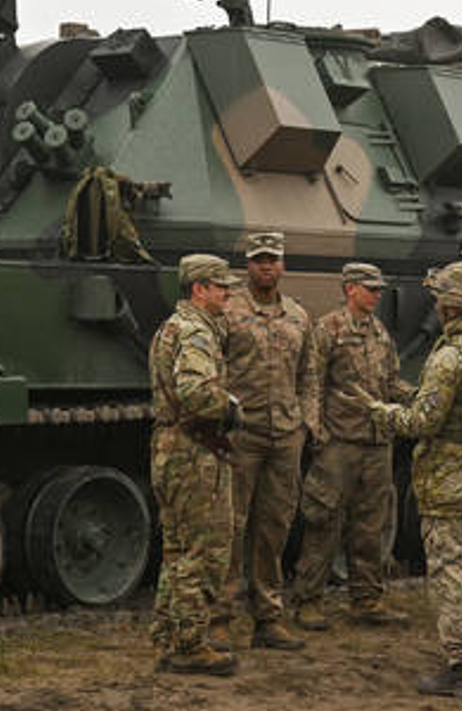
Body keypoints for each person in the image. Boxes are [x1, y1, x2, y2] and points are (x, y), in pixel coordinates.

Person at [368, 261, 462, 699]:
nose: (435, 305)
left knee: (453, 576)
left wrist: (381, 412)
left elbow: (423, 422)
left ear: (452, 306)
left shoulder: (450, 356)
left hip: (450, 481)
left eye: (439, 298)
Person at [292, 262, 415, 632]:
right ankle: (308, 601)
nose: (377, 294)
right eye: (370, 288)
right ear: (350, 289)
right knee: (323, 521)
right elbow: (311, 381)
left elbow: (391, 381)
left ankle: (366, 600)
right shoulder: (328, 329)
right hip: (339, 443)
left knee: (371, 526)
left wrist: (418, 396)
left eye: (379, 289)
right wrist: (316, 430)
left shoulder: (380, 332)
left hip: (377, 443)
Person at [214, 231, 320, 652]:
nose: (266, 266)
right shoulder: (228, 311)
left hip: (285, 436)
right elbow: (213, 368)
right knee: (231, 526)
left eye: (272, 259)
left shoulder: (298, 315)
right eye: (259, 259)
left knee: (274, 527)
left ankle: (268, 618)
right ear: (248, 265)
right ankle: (219, 617)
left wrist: (307, 423)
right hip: (241, 435)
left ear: (282, 265)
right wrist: (222, 419)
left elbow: (309, 374)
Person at [149, 253, 243, 677]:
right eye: (221, 287)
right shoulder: (196, 332)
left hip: (170, 447)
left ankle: (167, 636)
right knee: (204, 550)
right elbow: (196, 391)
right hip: (194, 452)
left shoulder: (171, 327)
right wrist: (232, 408)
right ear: (199, 289)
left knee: (176, 549)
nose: (227, 294)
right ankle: (189, 645)